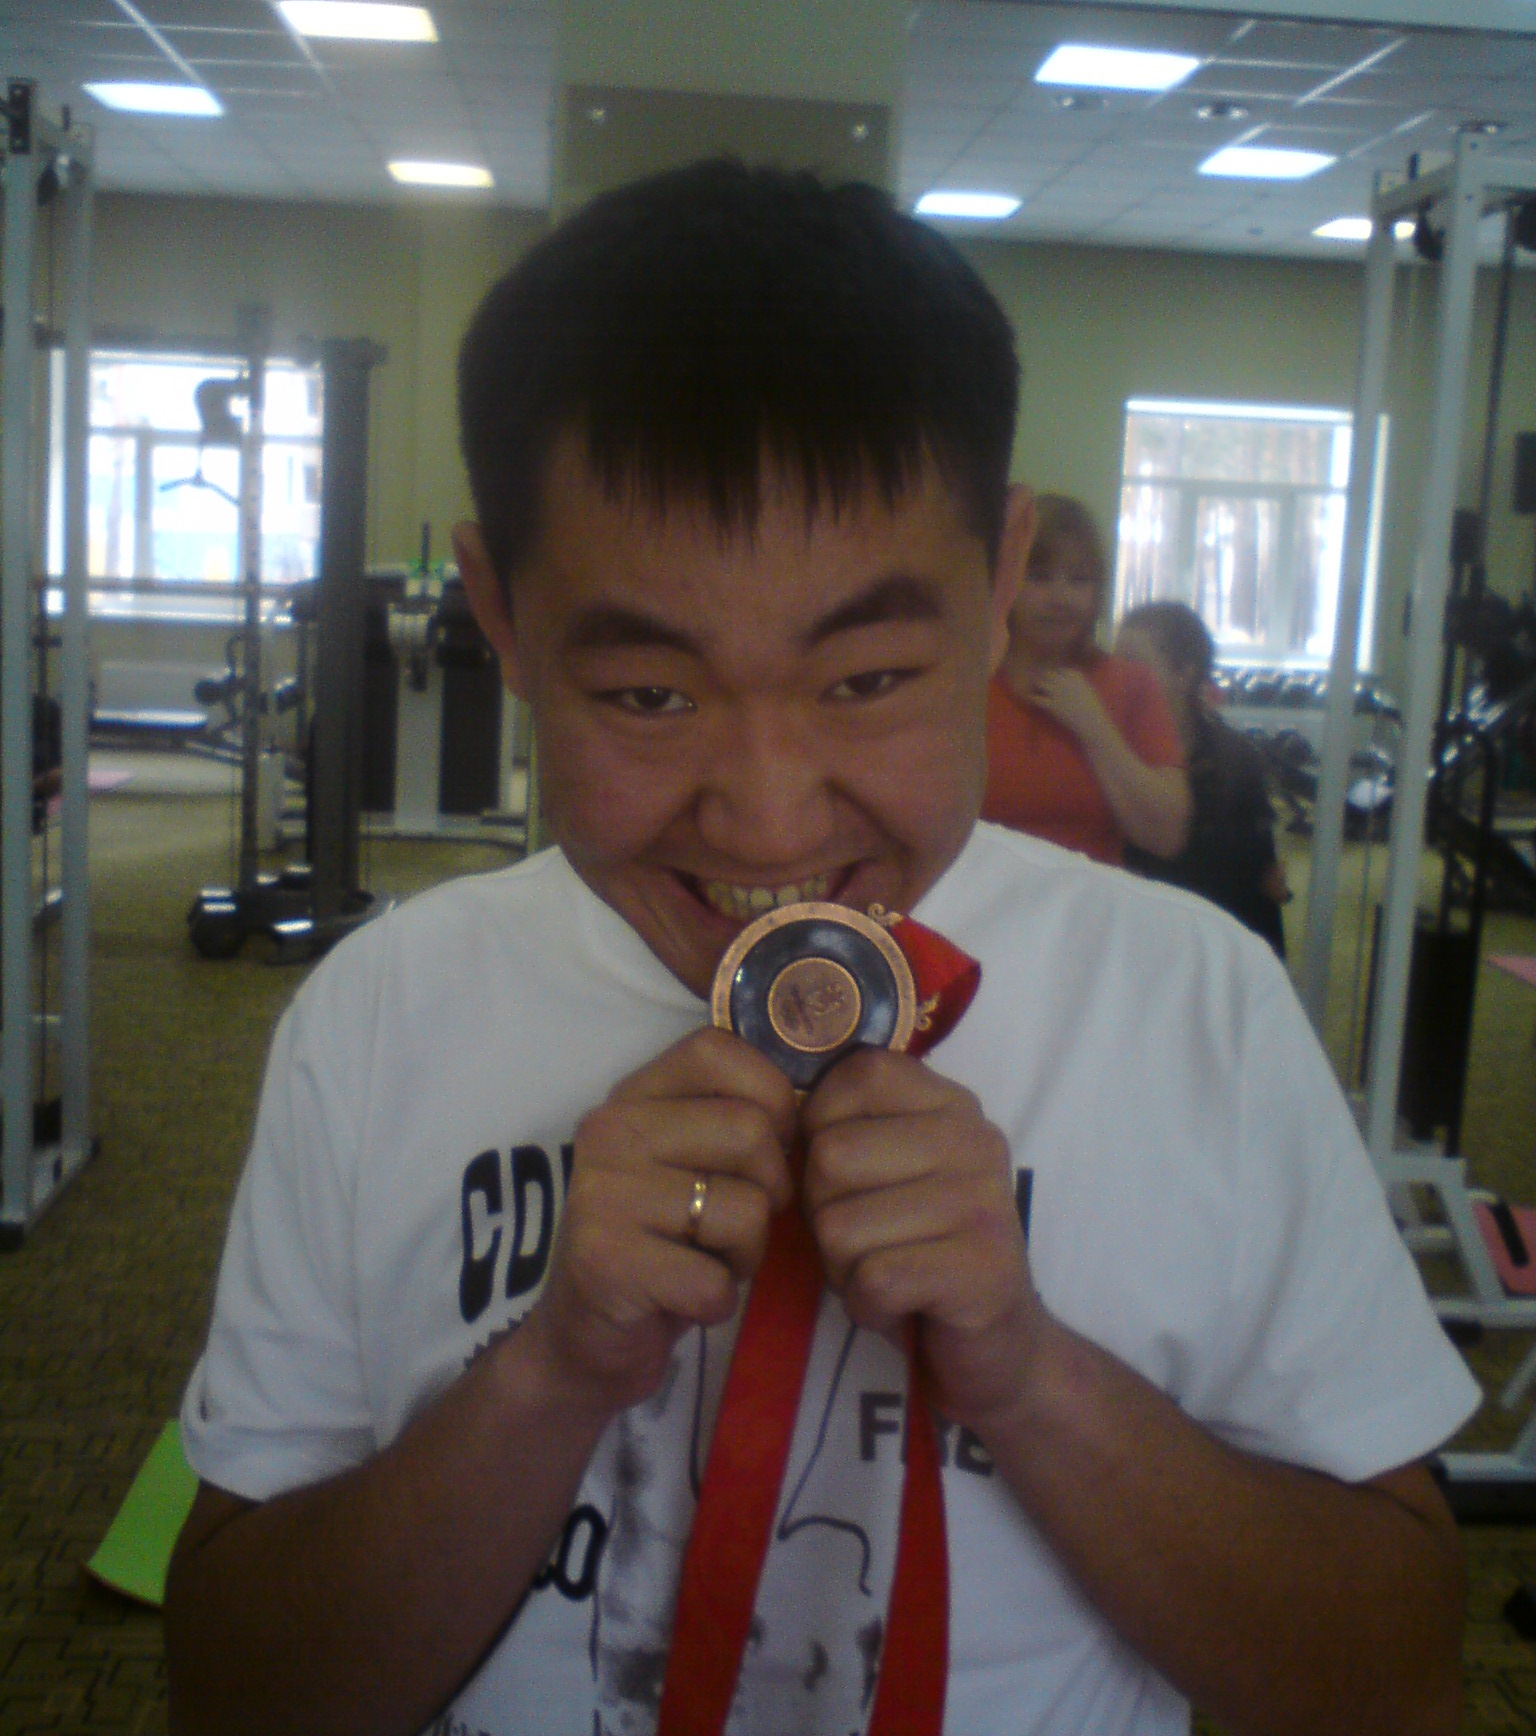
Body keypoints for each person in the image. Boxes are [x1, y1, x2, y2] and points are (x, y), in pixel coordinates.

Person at [164, 161, 1474, 1736]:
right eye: (648, 696)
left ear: (1000, 584)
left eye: (866, 681)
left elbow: (1394, 1676)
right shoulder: (380, 1015)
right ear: (499, 614)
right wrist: (551, 1371)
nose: (773, 823)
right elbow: (235, 1689)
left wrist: (1029, 1371)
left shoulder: (1199, 1007)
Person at [982, 495, 1191, 865]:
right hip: (974, 896)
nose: (1060, 598)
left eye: (1079, 580)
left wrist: (1095, 728)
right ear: (1007, 581)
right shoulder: (967, 682)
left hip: (1088, 899)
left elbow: (1165, 836)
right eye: (1039, 577)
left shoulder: (1133, 684)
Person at [1115, 601, 1292, 957]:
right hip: (1129, 936)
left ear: (1183, 673)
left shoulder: (1235, 761)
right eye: (1116, 664)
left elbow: (1259, 881)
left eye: (1132, 664)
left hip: (1210, 942)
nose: (1118, 677)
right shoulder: (1109, 743)